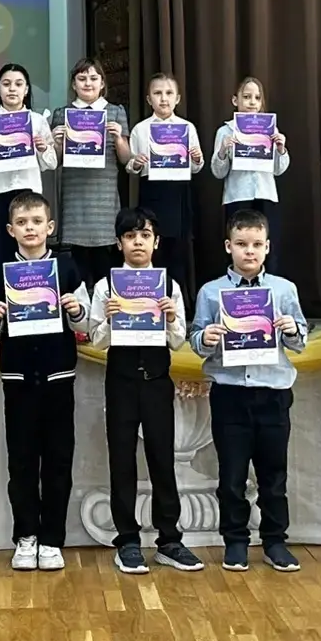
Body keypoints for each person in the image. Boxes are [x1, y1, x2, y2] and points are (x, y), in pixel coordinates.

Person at [190, 208, 309, 571]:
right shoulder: (212, 292)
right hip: (229, 395)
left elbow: (301, 341)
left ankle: (275, 542)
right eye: (242, 244)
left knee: (274, 476)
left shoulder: (284, 290)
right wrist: (206, 338)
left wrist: (291, 329)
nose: (249, 251)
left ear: (267, 247)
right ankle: (236, 542)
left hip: (273, 393)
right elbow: (195, 340)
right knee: (231, 476)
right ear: (229, 246)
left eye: (257, 244)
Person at [86, 206, 202, 574]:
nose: (138, 242)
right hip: (120, 382)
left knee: (162, 460)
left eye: (145, 235)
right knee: (121, 461)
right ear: (119, 243)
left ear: (156, 242)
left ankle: (169, 540)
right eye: (130, 236)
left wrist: (171, 318)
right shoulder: (105, 287)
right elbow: (96, 341)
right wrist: (109, 318)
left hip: (156, 382)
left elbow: (179, 341)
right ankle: (127, 541)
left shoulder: (169, 287)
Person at [0, 190, 85, 572]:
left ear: (49, 227)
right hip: (18, 377)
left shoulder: (67, 269)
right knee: (21, 461)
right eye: (22, 223)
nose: (30, 228)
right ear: (11, 229)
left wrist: (76, 309)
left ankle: (52, 539)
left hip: (58, 376)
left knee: (58, 460)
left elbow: (86, 322)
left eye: (37, 222)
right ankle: (26, 537)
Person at [49, 57, 132, 283]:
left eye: (94, 78)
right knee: (77, 269)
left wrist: (119, 139)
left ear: (102, 83)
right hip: (75, 199)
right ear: (73, 84)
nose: (88, 83)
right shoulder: (62, 114)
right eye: (82, 78)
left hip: (104, 200)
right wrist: (57, 143)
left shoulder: (115, 112)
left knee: (104, 267)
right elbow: (53, 162)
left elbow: (126, 159)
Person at [0, 62, 58, 275]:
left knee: (28, 248)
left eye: (18, 84)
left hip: (29, 191)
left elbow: (51, 163)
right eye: (6, 84)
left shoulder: (37, 121)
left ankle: (29, 291)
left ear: (26, 90)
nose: (12, 89)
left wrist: (43, 148)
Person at [126, 72, 206, 301]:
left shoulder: (187, 128)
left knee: (178, 250)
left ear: (177, 98)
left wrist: (197, 159)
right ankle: (151, 301)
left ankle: (177, 305)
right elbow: (130, 166)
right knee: (153, 247)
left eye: (169, 93)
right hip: (152, 192)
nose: (163, 98)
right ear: (149, 99)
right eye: (157, 93)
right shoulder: (140, 129)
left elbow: (196, 167)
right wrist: (136, 162)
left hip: (179, 193)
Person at [210, 76, 291, 265]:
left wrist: (281, 149)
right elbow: (218, 172)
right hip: (237, 196)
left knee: (267, 248)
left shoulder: (271, 130)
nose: (252, 102)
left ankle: (266, 282)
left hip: (266, 195)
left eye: (257, 98)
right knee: (239, 246)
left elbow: (278, 170)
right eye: (246, 97)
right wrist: (223, 150)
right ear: (235, 100)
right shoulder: (225, 131)